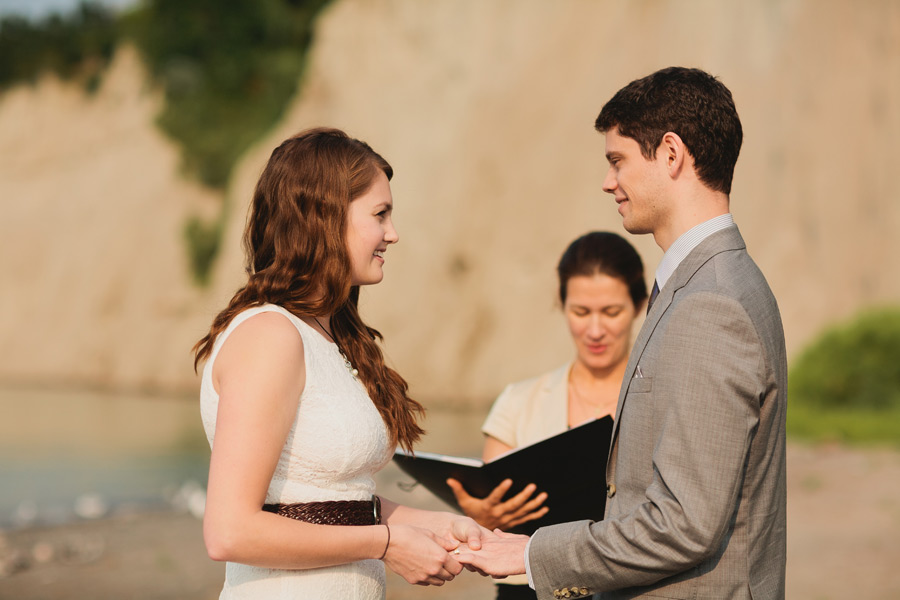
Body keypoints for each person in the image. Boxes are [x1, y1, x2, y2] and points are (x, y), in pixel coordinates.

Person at [457, 67, 788, 600]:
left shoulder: (712, 303)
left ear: (672, 154)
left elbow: (684, 524)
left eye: (618, 161)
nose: (609, 182)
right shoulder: (708, 283)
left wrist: (530, 552)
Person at [193, 127, 487, 599]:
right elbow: (229, 532)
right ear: (325, 219)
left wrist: (440, 525)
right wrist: (388, 545)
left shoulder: (328, 335)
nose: (393, 234)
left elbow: (333, 503)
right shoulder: (271, 336)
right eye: (380, 214)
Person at [445, 231, 647, 600]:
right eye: (581, 312)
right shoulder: (518, 402)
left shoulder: (663, 399)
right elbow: (490, 523)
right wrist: (482, 517)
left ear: (639, 306)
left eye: (611, 312)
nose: (595, 330)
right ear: (562, 304)